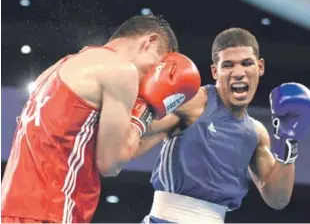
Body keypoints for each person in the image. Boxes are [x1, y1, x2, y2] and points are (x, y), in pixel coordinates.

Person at [1, 15, 201, 223]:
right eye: (155, 69)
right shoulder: (121, 71)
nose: (149, 81)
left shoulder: (56, 70)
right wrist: (145, 111)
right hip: (52, 211)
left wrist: (164, 128)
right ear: (149, 42)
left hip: (11, 210)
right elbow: (110, 164)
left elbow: (93, 143)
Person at [134, 28, 310, 223]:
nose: (238, 73)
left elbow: (278, 199)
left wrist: (289, 140)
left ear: (260, 67)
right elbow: (134, 137)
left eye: (246, 63)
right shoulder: (194, 102)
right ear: (215, 71)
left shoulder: (255, 133)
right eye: (228, 65)